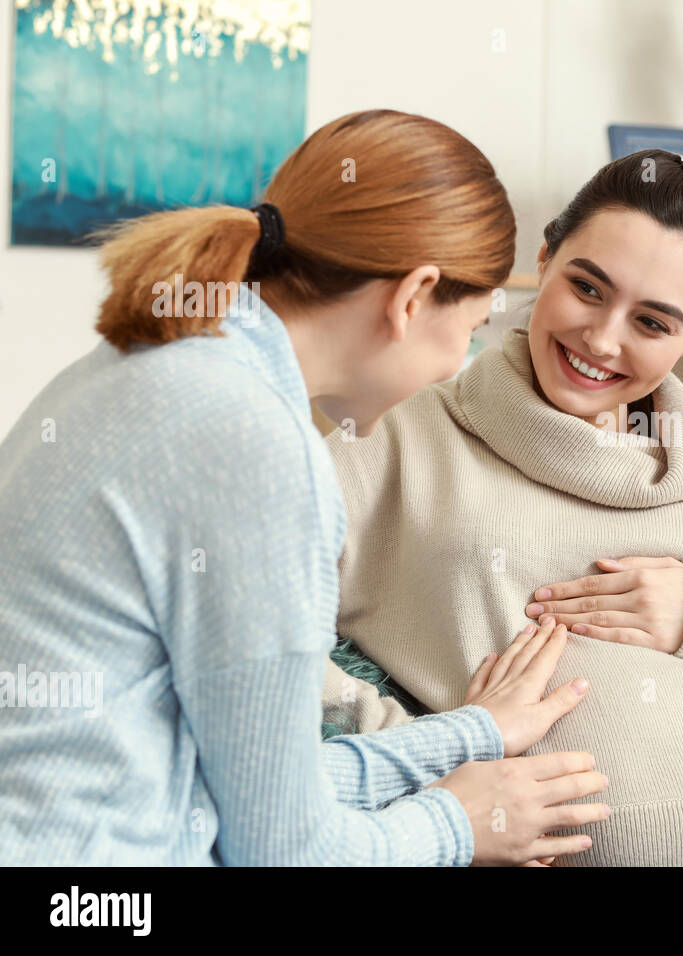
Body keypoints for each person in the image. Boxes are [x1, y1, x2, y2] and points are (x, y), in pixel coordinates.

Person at [0, 109, 608, 866]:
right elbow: (285, 850)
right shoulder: (256, 444)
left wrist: (472, 735)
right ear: (413, 296)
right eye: (474, 327)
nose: (459, 363)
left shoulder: (148, 365)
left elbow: (257, 784)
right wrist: (460, 826)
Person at [321, 149, 683, 866]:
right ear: (545, 256)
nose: (601, 339)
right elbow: (263, 652)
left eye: (653, 323)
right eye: (588, 288)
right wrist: (451, 760)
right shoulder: (398, 430)